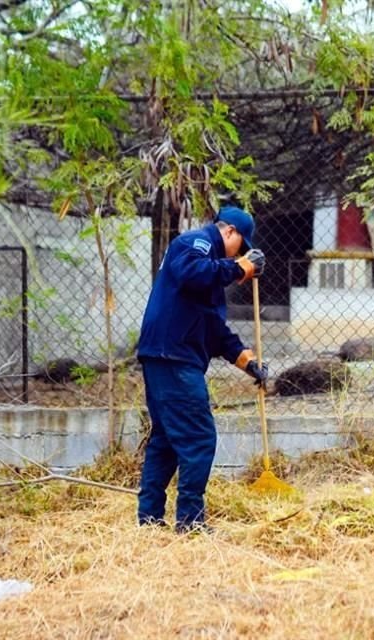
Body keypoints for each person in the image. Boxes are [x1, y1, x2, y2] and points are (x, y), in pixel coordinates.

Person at [135, 205, 268, 533]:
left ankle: (150, 519)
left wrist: (247, 362)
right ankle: (190, 521)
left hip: (168, 355)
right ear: (229, 233)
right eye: (242, 246)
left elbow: (213, 329)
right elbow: (191, 272)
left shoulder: (209, 274)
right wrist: (239, 269)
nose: (242, 255)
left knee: (167, 438)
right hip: (173, 357)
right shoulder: (195, 243)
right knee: (198, 437)